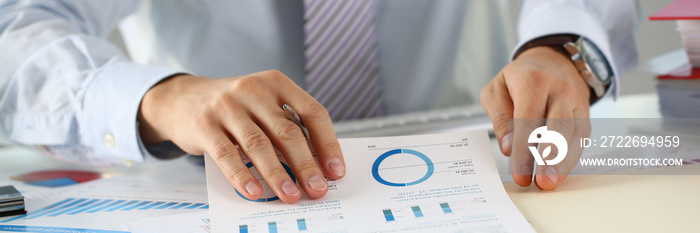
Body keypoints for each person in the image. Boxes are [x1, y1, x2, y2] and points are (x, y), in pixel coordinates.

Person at [0, 0, 638, 203]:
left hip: (479, 167)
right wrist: (159, 99)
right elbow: (19, 26)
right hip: (205, 184)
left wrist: (561, 44)